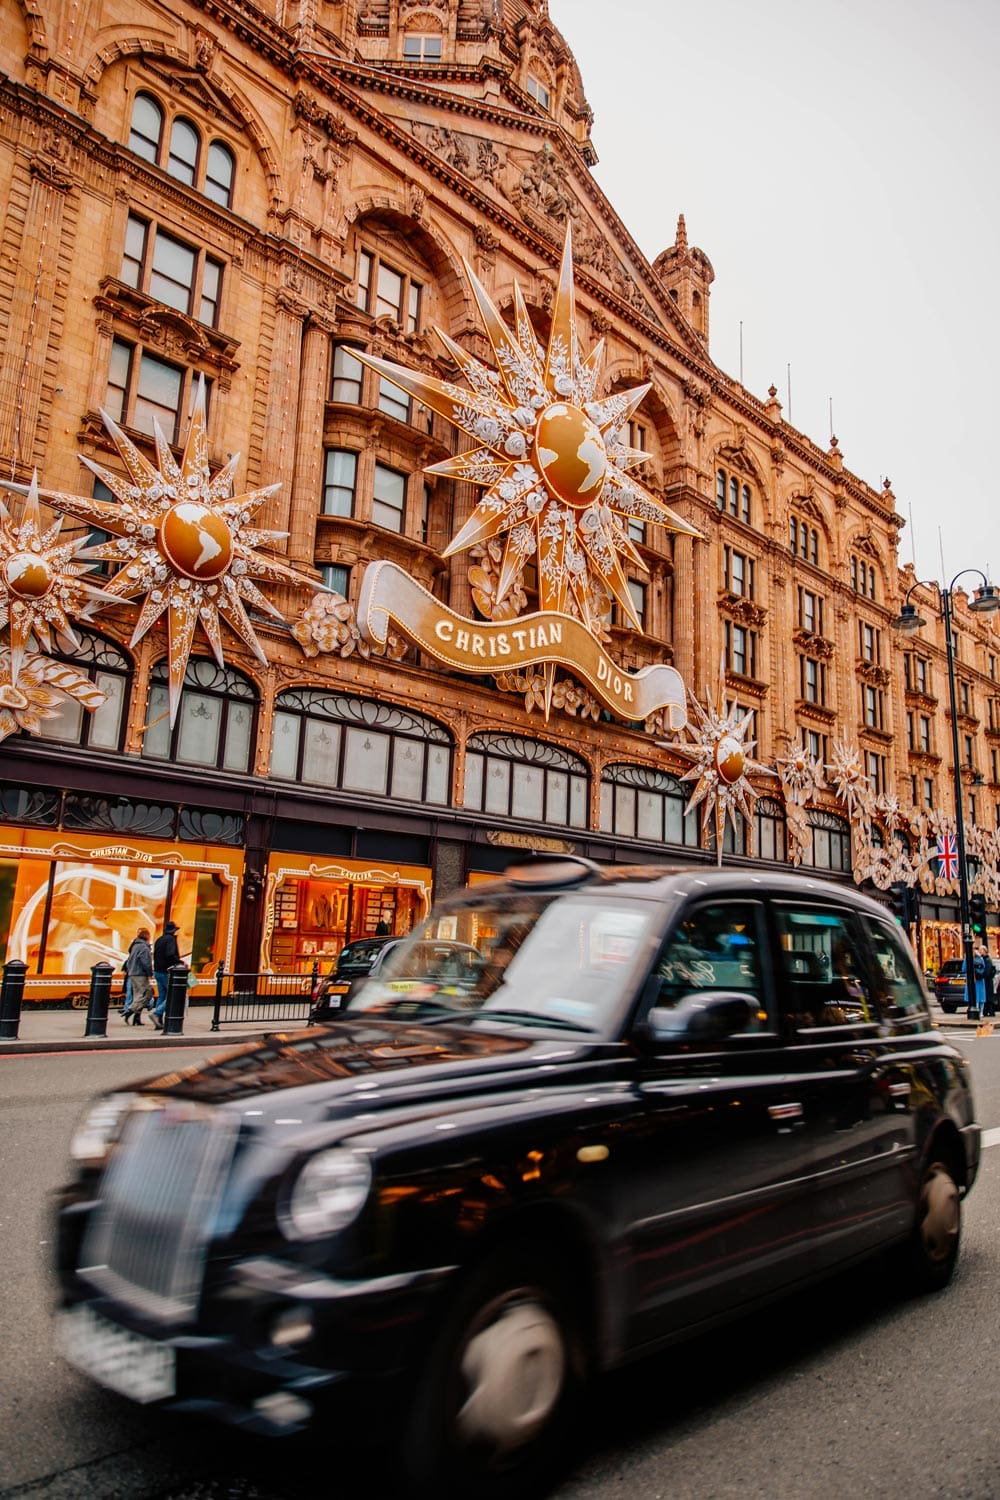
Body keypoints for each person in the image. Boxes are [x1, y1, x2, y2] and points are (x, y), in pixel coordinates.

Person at [151, 920, 182, 1030]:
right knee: (172, 995)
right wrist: (179, 962)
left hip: (157, 970)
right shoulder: (170, 940)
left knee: (162, 995)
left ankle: (158, 1021)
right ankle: (157, 1013)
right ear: (173, 931)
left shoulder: (159, 940)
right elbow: (170, 954)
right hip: (166, 971)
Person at [122, 928, 153, 1025]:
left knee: (137, 995)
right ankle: (130, 1011)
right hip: (140, 974)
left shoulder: (135, 946)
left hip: (132, 973)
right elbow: (145, 962)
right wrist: (150, 973)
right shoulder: (143, 947)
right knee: (146, 994)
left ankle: (137, 1018)